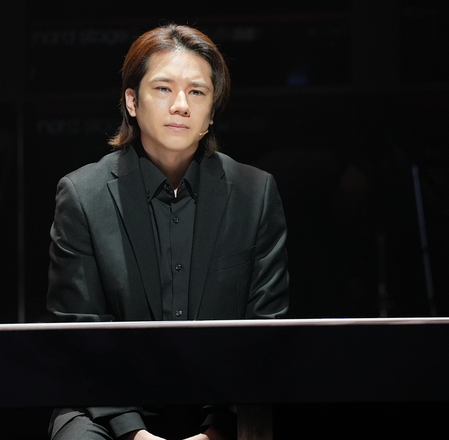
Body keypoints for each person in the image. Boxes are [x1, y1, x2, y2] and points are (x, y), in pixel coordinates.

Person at [46, 24, 289, 440]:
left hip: (221, 406)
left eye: (197, 92)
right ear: (132, 101)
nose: (181, 105)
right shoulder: (83, 195)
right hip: (109, 404)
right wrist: (134, 434)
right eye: (163, 88)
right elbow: (79, 333)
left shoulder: (255, 193)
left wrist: (215, 431)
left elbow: (265, 332)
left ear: (211, 112)